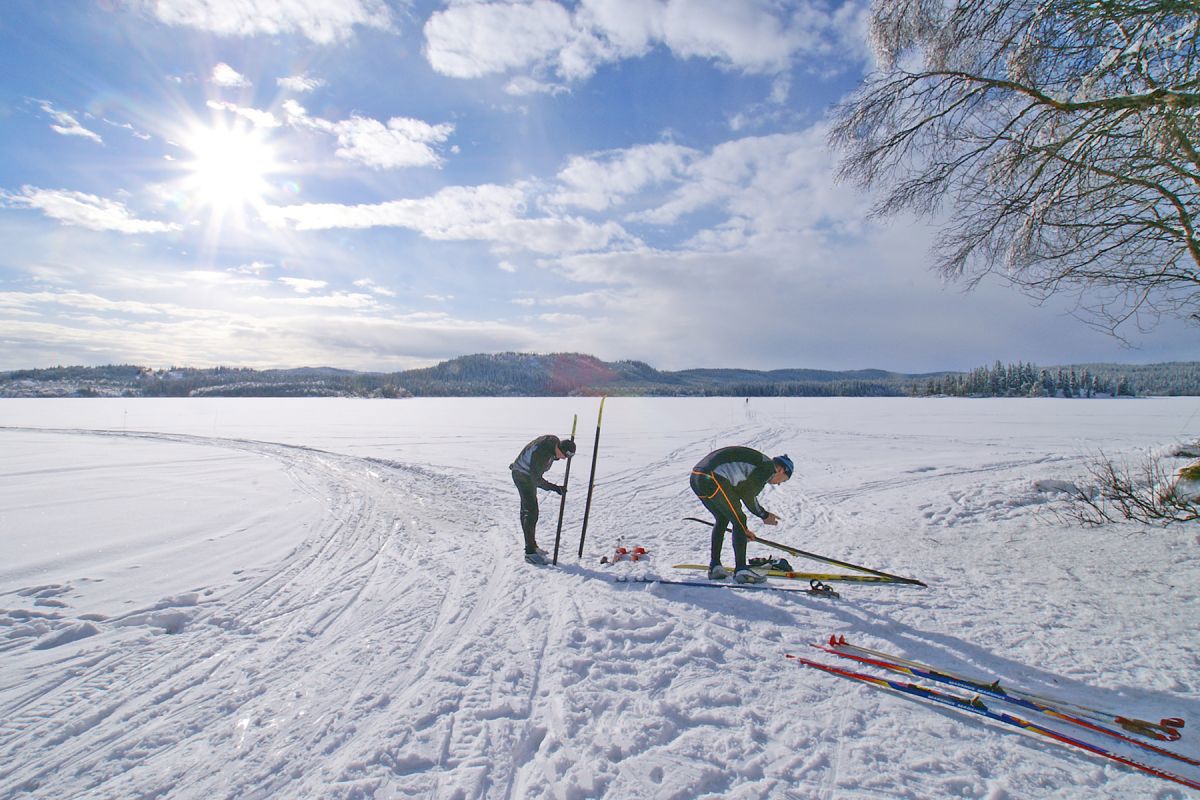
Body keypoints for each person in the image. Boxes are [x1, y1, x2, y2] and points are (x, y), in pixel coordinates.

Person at [689, 447, 793, 583]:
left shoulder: (760, 463)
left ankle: (715, 566)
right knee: (739, 519)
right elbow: (748, 494)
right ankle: (741, 570)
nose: (778, 484)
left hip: (697, 478)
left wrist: (743, 530)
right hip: (713, 477)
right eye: (783, 480)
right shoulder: (768, 468)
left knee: (723, 517)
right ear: (781, 470)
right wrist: (764, 515)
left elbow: (739, 492)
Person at [510, 434, 576, 565]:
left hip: (525, 474)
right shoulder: (543, 453)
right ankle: (530, 553)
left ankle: (532, 546)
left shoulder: (551, 446)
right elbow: (537, 479)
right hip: (522, 475)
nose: (563, 459)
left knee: (529, 510)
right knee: (531, 512)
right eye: (564, 456)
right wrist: (555, 488)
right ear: (560, 450)